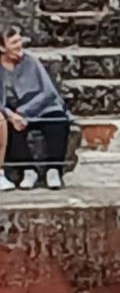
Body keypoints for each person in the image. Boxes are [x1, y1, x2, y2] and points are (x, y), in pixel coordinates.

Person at [0, 26, 71, 192]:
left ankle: (53, 170)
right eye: (14, 42)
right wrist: (10, 114)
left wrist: (22, 112)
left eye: (19, 41)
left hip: (42, 107)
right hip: (14, 112)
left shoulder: (31, 62)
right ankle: (28, 170)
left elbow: (48, 92)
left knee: (58, 122)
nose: (19, 45)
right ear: (2, 47)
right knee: (10, 128)